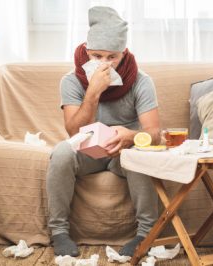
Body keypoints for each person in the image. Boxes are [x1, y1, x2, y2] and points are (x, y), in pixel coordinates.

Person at [46, 6, 160, 257]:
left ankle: (146, 234)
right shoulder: (71, 81)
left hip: (123, 152)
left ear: (124, 54)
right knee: (62, 152)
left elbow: (154, 133)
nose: (104, 64)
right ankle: (59, 233)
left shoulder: (141, 81)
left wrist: (131, 137)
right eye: (96, 56)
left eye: (112, 57)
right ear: (86, 52)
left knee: (143, 154)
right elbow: (73, 131)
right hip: (88, 150)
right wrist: (93, 92)